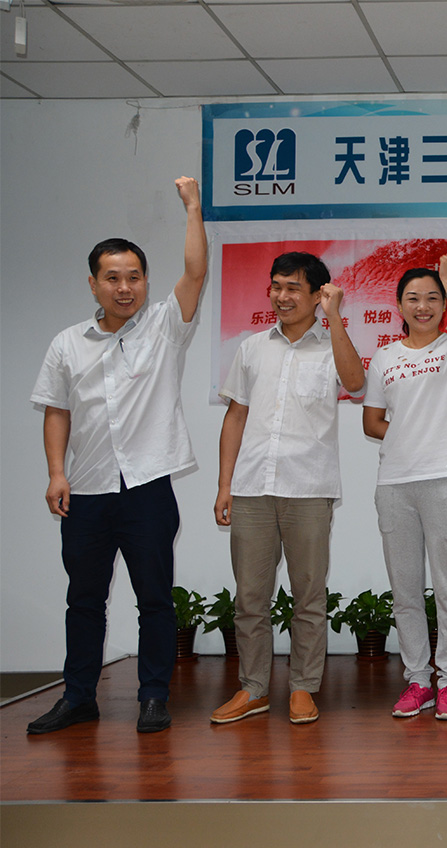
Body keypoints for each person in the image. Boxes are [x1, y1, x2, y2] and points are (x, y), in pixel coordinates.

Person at [27, 177, 207, 736]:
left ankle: (153, 696)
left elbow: (196, 273)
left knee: (154, 600)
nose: (124, 287)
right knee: (84, 600)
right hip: (86, 491)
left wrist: (193, 209)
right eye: (112, 277)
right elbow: (57, 411)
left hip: (147, 488)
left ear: (146, 281)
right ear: (93, 283)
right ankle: (78, 696)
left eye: (133, 277)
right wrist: (56, 473)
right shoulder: (67, 343)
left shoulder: (165, 328)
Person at [211, 252, 365, 725]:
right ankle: (253, 689)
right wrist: (224, 485)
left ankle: (303, 688)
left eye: (293, 288)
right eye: (276, 286)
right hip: (252, 486)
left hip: (309, 488)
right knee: (249, 599)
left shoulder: (332, 344)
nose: (282, 296)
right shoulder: (252, 347)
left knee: (308, 597)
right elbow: (235, 416)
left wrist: (335, 319)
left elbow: (356, 383)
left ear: (318, 295)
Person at [363, 254, 447, 721]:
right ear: (399, 306)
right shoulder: (386, 358)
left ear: (444, 304)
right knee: (406, 591)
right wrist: (407, 435)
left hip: (446, 478)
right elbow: (372, 421)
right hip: (394, 483)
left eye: (433, 298)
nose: (423, 306)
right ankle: (418, 680)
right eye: (413, 298)